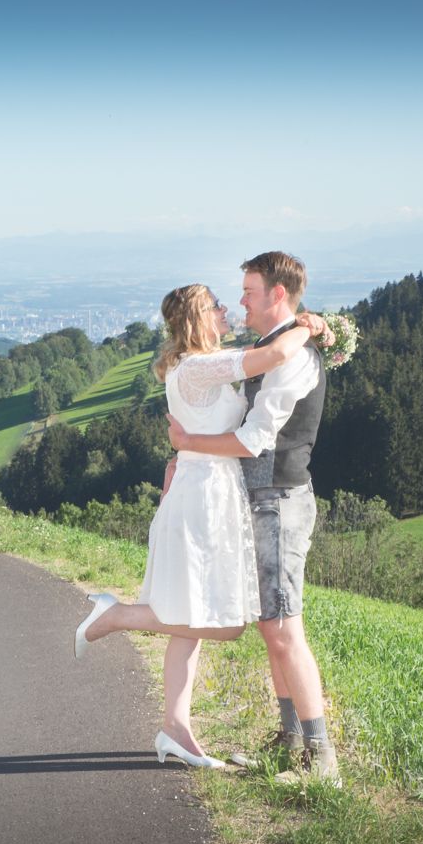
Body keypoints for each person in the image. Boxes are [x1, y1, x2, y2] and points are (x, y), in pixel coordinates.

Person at [74, 282, 325, 768]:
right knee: (226, 624)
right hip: (205, 496)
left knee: (188, 622)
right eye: (215, 305)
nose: (226, 308)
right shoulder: (198, 366)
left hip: (206, 489)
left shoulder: (199, 366)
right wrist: (309, 325)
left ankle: (176, 730)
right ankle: (117, 615)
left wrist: (185, 445)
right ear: (196, 317)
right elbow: (272, 354)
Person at [165, 252, 338, 780]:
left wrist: (189, 444)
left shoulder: (293, 357)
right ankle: (288, 743)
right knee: (272, 627)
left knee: (285, 627)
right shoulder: (272, 346)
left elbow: (254, 439)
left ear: (277, 296)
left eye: (249, 291)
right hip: (264, 501)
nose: (240, 300)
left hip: (281, 499)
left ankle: (322, 758)